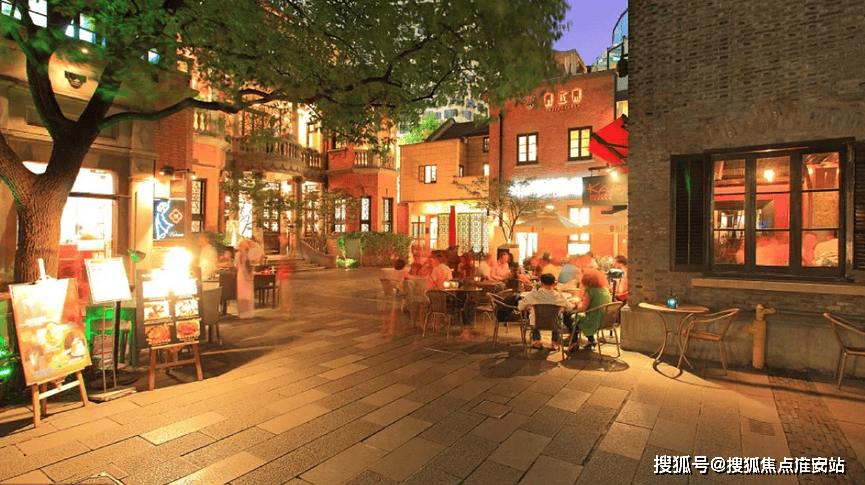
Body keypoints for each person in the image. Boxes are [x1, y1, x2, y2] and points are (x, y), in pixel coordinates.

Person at [518, 273, 574, 351]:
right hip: (554, 323)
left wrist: (529, 308)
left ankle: (537, 341)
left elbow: (520, 307)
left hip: (537, 323)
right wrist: (563, 308)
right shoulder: (558, 296)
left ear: (541, 283)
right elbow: (570, 307)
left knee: (533, 314)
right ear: (554, 283)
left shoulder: (533, 295)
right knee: (559, 315)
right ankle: (555, 342)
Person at [572, 269, 613, 350]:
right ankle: (590, 340)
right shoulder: (605, 289)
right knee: (577, 318)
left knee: (573, 318)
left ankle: (574, 342)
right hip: (606, 319)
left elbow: (583, 308)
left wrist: (577, 306)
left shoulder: (590, 290)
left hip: (594, 319)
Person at [235, 239, 256, 319]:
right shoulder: (238, 254)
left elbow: (252, 264)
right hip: (242, 275)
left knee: (248, 294)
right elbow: (237, 265)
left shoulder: (250, 254)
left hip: (248, 275)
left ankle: (248, 311)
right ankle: (242, 312)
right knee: (242, 294)